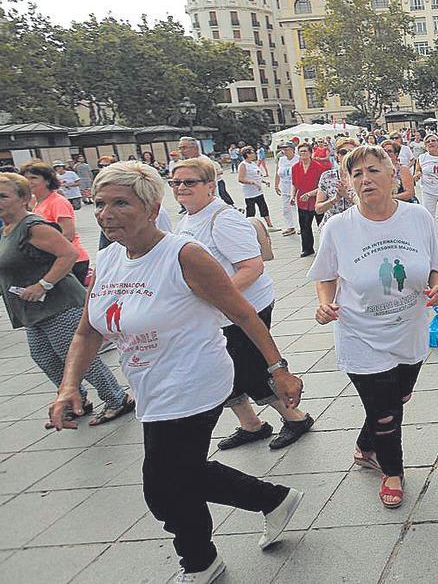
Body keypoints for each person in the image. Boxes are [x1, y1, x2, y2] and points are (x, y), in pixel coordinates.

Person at [49, 162, 307, 584]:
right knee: (181, 475)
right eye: (99, 204)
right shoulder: (110, 258)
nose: (106, 214)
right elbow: (87, 330)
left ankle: (200, 562)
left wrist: (279, 369)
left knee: (164, 487)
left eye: (120, 203)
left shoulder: (184, 254)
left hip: (196, 380)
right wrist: (68, 386)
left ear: (152, 208)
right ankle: (273, 499)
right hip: (151, 384)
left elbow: (243, 313)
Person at [310, 145, 438, 507]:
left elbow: (436, 265)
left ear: (392, 174)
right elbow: (325, 276)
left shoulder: (418, 218)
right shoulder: (338, 227)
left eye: (372, 170)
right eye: (356, 174)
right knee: (386, 412)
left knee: (398, 397)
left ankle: (365, 445)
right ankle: (392, 471)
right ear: (348, 183)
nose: (365, 179)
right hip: (361, 335)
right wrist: (325, 304)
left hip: (410, 331)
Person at [172, 159, 313, 451]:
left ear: (210, 185)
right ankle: (252, 424)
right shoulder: (187, 219)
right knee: (222, 370)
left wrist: (219, 296)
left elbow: (252, 267)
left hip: (245, 308)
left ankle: (296, 418)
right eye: (176, 183)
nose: (181, 188)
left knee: (250, 370)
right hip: (214, 314)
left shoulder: (222, 218)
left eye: (190, 182)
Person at [0, 172, 134, 427]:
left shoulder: (32, 226)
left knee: (77, 357)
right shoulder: (7, 228)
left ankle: (117, 399)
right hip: (32, 310)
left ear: (23, 198)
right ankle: (76, 400)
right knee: (44, 357)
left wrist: (43, 284)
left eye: (3, 196)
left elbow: (68, 254)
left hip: (59, 306)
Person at [22, 160, 91, 284]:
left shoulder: (57, 202)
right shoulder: (38, 202)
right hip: (55, 259)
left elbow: (68, 235)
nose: (28, 182)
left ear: (47, 180)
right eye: (25, 178)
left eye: (33, 178)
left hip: (71, 261)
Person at [291, 143, 330, 257]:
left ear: (310, 152)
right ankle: (307, 248)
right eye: (301, 151)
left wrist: (310, 194)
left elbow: (323, 186)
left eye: (305, 151)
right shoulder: (295, 167)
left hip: (317, 200)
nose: (303, 153)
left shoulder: (318, 167)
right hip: (302, 201)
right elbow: (294, 183)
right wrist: (292, 196)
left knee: (322, 226)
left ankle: (326, 249)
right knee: (304, 226)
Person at [180, 136, 234, 206]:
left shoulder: (203, 162)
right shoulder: (188, 161)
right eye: (180, 148)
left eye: (184, 148)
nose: (181, 151)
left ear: (195, 148)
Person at [316, 138, 359, 220]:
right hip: (332, 226)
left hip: (356, 225)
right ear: (337, 155)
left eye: (352, 152)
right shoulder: (327, 176)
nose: (347, 155)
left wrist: (347, 196)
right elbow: (318, 209)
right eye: (343, 152)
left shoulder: (364, 176)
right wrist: (335, 199)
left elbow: (370, 207)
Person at [237, 146, 274, 227]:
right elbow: (240, 179)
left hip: (258, 191)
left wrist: (264, 181)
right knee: (251, 211)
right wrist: (252, 183)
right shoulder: (243, 165)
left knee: (263, 208)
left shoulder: (253, 163)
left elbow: (257, 176)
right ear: (247, 154)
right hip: (249, 193)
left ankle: (270, 225)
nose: (255, 154)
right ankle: (248, 226)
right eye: (253, 153)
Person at [273, 142, 299, 237]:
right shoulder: (282, 160)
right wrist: (276, 185)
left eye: (287, 149)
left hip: (296, 187)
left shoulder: (298, 159)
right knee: (286, 208)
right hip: (284, 187)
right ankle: (290, 227)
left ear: (292, 150)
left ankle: (300, 226)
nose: (284, 151)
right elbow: (277, 173)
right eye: (283, 149)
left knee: (297, 208)